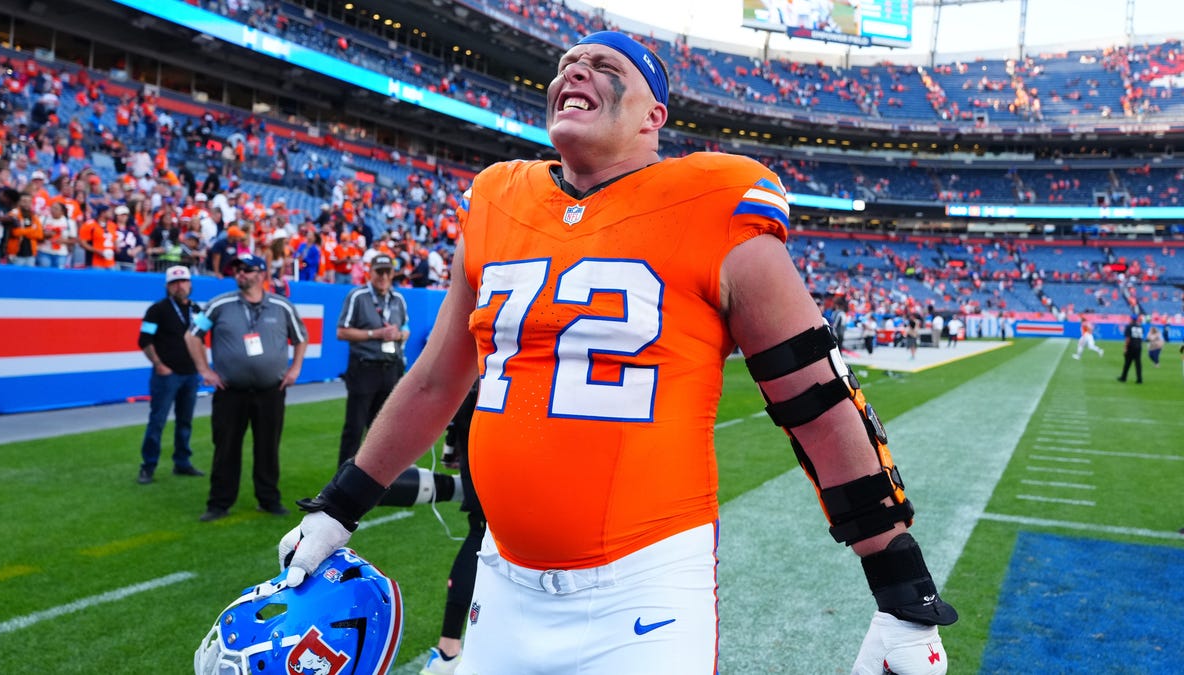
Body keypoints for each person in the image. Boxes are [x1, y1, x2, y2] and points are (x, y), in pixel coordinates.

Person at [279, 31, 954, 675]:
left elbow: (817, 399)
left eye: (605, 67)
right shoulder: (497, 200)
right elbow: (434, 380)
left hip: (644, 590)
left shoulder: (714, 201)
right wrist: (340, 505)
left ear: (651, 116)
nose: (573, 71)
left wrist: (903, 590)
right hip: (501, 585)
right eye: (567, 62)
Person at [186, 254, 308, 522]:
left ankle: (269, 499)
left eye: (246, 269)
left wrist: (295, 369)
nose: (239, 273)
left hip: (270, 391)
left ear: (261, 273)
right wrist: (204, 370)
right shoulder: (220, 304)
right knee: (226, 447)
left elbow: (301, 337)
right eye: (237, 270)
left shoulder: (281, 306)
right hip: (231, 391)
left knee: (268, 447)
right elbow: (192, 335)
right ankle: (219, 502)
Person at [420, 384, 484, 675]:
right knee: (483, 532)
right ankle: (448, 651)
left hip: (483, 414)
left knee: (482, 531)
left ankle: (448, 651)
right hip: (505, 418)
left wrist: (452, 440)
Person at [334, 255, 410, 467]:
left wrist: (399, 335)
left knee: (384, 429)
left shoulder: (398, 299)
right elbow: (341, 332)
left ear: (393, 274)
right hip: (364, 367)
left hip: (390, 367)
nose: (384, 276)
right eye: (379, 271)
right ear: (370, 272)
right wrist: (374, 334)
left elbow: (406, 328)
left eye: (388, 272)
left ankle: (376, 480)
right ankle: (342, 480)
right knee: (355, 427)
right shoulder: (358, 296)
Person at [136, 265, 204, 484]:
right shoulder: (157, 309)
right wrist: (158, 364)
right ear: (167, 286)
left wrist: (202, 367)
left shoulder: (196, 309)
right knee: (157, 421)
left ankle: (182, 462)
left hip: (191, 374)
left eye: (183, 281)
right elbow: (144, 340)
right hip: (167, 375)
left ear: (190, 284)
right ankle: (148, 466)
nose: (180, 286)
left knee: (185, 421)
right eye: (174, 283)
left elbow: (201, 339)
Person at [1117, 315, 1144, 384]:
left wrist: (1125, 347)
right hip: (1138, 346)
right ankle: (1139, 379)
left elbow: (1128, 338)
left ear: (1131, 319)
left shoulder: (1129, 326)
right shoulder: (1140, 326)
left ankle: (1124, 377)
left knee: (1127, 363)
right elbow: (1141, 337)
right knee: (1138, 363)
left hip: (1131, 346)